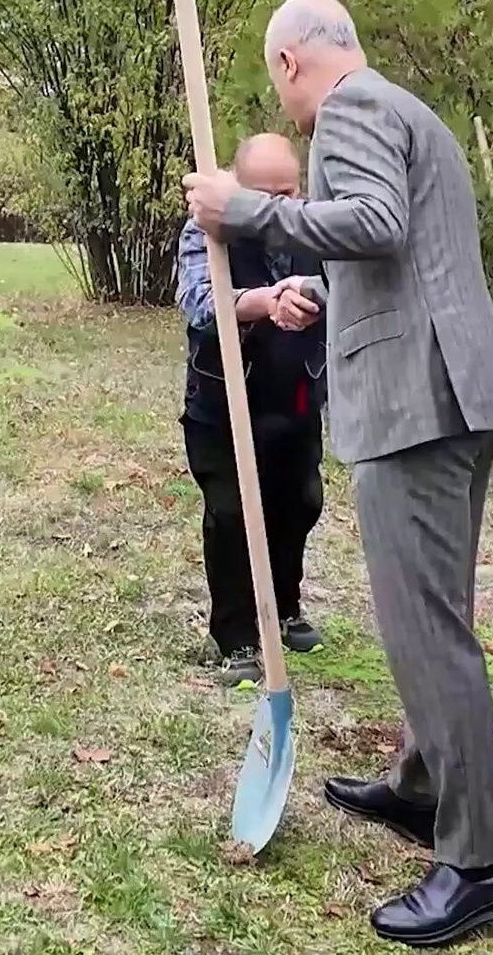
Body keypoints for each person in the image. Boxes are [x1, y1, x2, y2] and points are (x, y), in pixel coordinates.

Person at [182, 0, 493, 947]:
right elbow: (403, 258)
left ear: (294, 63)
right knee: (434, 620)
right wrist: (316, 294)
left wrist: (244, 209)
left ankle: (480, 862)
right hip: (452, 392)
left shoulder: (353, 109)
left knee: (427, 633)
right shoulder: (416, 116)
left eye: (275, 79)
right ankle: (424, 786)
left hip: (417, 407)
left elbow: (373, 219)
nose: (284, 101)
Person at [177, 133, 328, 688]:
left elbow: (343, 287)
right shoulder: (207, 230)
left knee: (301, 503)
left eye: (287, 193)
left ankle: (284, 607)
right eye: (263, 195)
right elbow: (198, 303)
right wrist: (264, 303)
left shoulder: (312, 224)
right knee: (233, 514)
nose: (276, 209)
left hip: (294, 398)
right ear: (238, 188)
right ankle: (236, 634)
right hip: (223, 403)